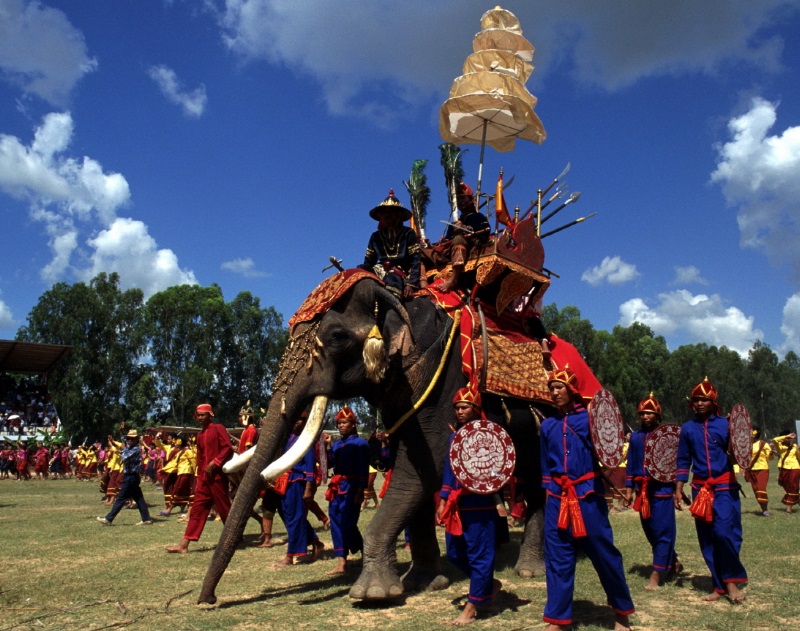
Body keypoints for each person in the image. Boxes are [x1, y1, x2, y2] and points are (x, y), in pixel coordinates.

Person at [539, 366, 634, 631]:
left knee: (604, 555)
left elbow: (610, 446)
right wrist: (549, 497)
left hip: (587, 496)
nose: (554, 392)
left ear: (571, 390)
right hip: (558, 498)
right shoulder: (548, 425)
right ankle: (558, 620)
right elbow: (546, 466)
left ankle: (621, 613)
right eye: (551, 389)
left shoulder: (589, 420)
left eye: (559, 387)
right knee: (557, 558)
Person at [674, 377, 747, 602]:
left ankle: (732, 581)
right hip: (700, 489)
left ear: (713, 401)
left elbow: (739, 453)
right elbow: (683, 459)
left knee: (725, 533)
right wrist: (678, 489)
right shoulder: (687, 428)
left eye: (704, 400)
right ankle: (719, 585)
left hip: (725, 486)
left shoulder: (726, 425)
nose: (699, 404)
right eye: (695, 400)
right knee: (707, 538)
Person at [435, 385, 501, 625]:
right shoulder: (455, 435)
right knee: (454, 552)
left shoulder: (491, 434)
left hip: (479, 502)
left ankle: (471, 608)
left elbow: (498, 467)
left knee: (479, 554)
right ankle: (487, 585)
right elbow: (449, 470)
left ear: (475, 408)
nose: (459, 411)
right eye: (457, 408)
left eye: (464, 407)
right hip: (456, 502)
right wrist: (443, 501)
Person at [625, 393, 681, 590]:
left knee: (662, 531)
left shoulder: (667, 438)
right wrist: (629, 490)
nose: (646, 416)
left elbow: (675, 464)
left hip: (662, 490)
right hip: (643, 492)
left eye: (650, 413)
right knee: (650, 531)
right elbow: (631, 463)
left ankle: (656, 575)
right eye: (643, 413)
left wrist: (678, 489)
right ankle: (673, 561)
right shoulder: (635, 438)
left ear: (658, 416)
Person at [165, 404, 233, 553]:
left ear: (210, 415)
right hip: (204, 479)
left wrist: (215, 462)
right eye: (198, 415)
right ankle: (183, 545)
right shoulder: (200, 436)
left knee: (224, 508)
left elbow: (228, 448)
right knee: (197, 510)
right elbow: (200, 458)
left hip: (217, 477)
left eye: (203, 415)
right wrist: (200, 476)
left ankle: (235, 537)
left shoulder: (218, 428)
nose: (200, 418)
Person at [324, 405, 369, 574]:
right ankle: (341, 563)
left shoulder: (361, 444)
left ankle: (366, 551)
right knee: (335, 523)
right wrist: (328, 447)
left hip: (352, 487)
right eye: (339, 423)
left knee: (347, 523)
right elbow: (330, 464)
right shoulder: (336, 445)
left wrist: (361, 490)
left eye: (344, 423)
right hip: (336, 488)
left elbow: (364, 468)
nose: (341, 426)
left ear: (353, 424)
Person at [275, 413, 324, 566]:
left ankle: (291, 555)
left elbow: (310, 464)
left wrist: (308, 487)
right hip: (284, 480)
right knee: (286, 513)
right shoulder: (286, 437)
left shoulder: (306, 439)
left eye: (301, 419)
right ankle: (315, 541)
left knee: (295, 517)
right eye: (295, 418)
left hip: (298, 480)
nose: (297, 422)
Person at [360, 189, 421, 299]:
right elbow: (368, 262)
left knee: (392, 279)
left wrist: (411, 284)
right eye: (384, 213)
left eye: (391, 212)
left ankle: (394, 313)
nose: (387, 215)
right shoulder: (375, 237)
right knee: (359, 271)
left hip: (400, 272)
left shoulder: (408, 233)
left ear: (399, 215)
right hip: (379, 270)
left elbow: (415, 261)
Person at [436, 181, 490, 293]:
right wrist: (440, 243)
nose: (461, 202)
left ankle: (453, 279)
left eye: (464, 198)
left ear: (471, 200)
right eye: (458, 199)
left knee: (459, 239)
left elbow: (486, 232)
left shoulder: (478, 217)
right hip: (450, 251)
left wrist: (465, 228)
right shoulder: (454, 223)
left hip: (471, 247)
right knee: (424, 251)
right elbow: (448, 239)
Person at [97, 429, 153, 526]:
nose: (129, 440)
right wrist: (120, 431)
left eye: (131, 439)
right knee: (139, 499)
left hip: (131, 477)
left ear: (136, 440)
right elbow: (123, 440)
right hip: (130, 476)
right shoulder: (129, 446)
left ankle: (109, 519)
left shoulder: (135, 449)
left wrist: (122, 448)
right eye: (128, 439)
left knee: (120, 498)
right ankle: (146, 519)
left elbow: (124, 457)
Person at [747, 427, 774, 516]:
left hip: (762, 468)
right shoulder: (747, 445)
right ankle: (763, 509)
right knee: (755, 490)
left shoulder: (763, 444)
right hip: (751, 470)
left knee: (761, 488)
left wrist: (770, 453)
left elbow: (769, 457)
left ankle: (765, 510)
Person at [773, 431, 799, 513]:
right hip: (784, 468)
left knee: (793, 486)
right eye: (787, 438)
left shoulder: (795, 447)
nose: (789, 440)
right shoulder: (779, 446)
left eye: (790, 438)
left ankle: (789, 508)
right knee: (786, 486)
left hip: (795, 468)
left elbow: (799, 457)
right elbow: (775, 440)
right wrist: (786, 435)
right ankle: (797, 498)